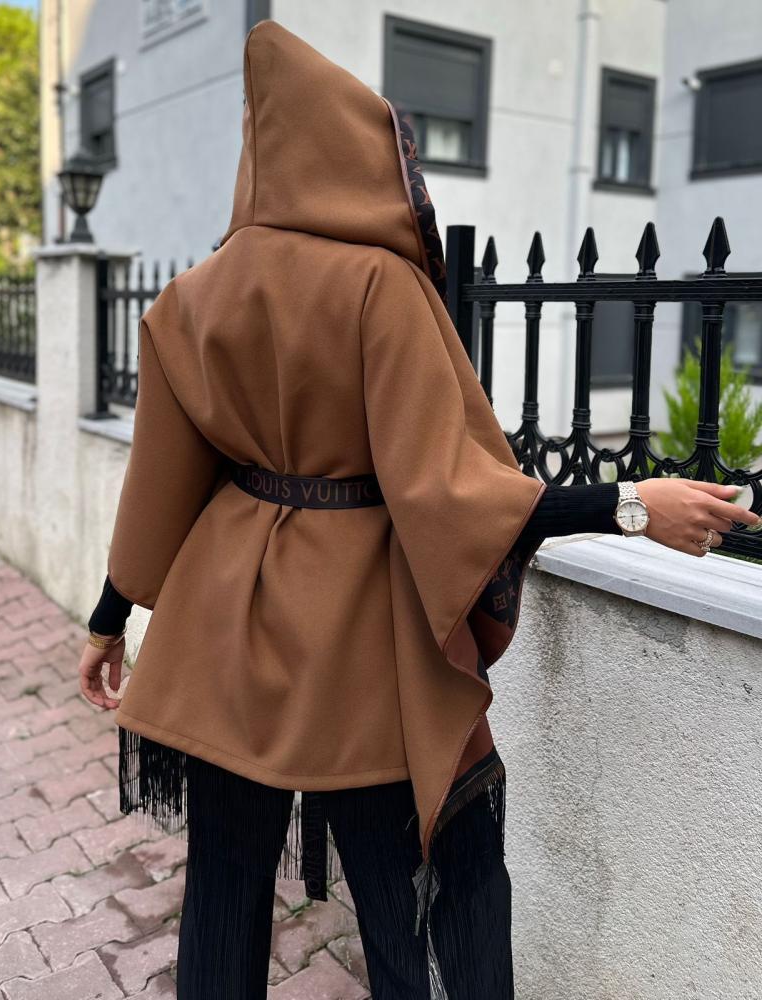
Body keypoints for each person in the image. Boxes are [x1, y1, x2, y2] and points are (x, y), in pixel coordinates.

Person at [76, 20, 759, 1000]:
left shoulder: (190, 298)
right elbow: (452, 492)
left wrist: (108, 621)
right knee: (407, 906)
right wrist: (628, 503)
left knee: (222, 891)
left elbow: (161, 488)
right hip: (359, 644)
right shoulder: (379, 286)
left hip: (218, 634)